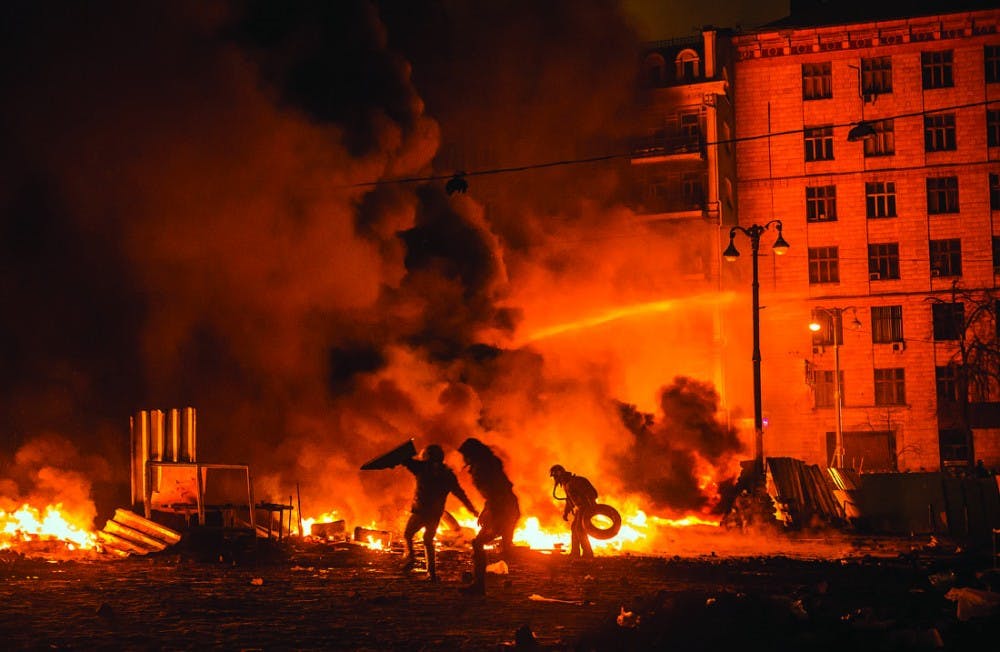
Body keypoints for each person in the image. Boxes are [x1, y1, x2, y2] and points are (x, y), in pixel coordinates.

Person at [398, 444, 478, 582]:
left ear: (427, 456)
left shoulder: (422, 468)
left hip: (421, 511)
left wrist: (403, 453)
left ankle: (410, 557)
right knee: (428, 540)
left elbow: (405, 460)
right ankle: (432, 574)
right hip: (435, 514)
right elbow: (460, 494)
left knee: (408, 534)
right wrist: (472, 509)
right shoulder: (448, 474)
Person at [457, 437, 521, 595]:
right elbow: (498, 491)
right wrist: (486, 510)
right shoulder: (489, 463)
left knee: (478, 543)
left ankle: (478, 586)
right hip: (507, 507)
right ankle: (549, 563)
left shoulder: (482, 468)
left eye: (465, 455)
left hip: (502, 510)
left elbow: (495, 493)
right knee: (507, 550)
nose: (464, 458)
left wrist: (490, 512)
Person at [549, 464, 598, 559]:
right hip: (580, 508)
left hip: (585, 507)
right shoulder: (567, 484)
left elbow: (591, 493)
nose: (555, 479)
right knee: (574, 528)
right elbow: (569, 500)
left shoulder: (575, 482)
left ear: (560, 474)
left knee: (579, 529)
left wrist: (591, 506)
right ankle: (575, 552)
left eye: (555, 476)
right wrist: (566, 512)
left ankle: (588, 553)